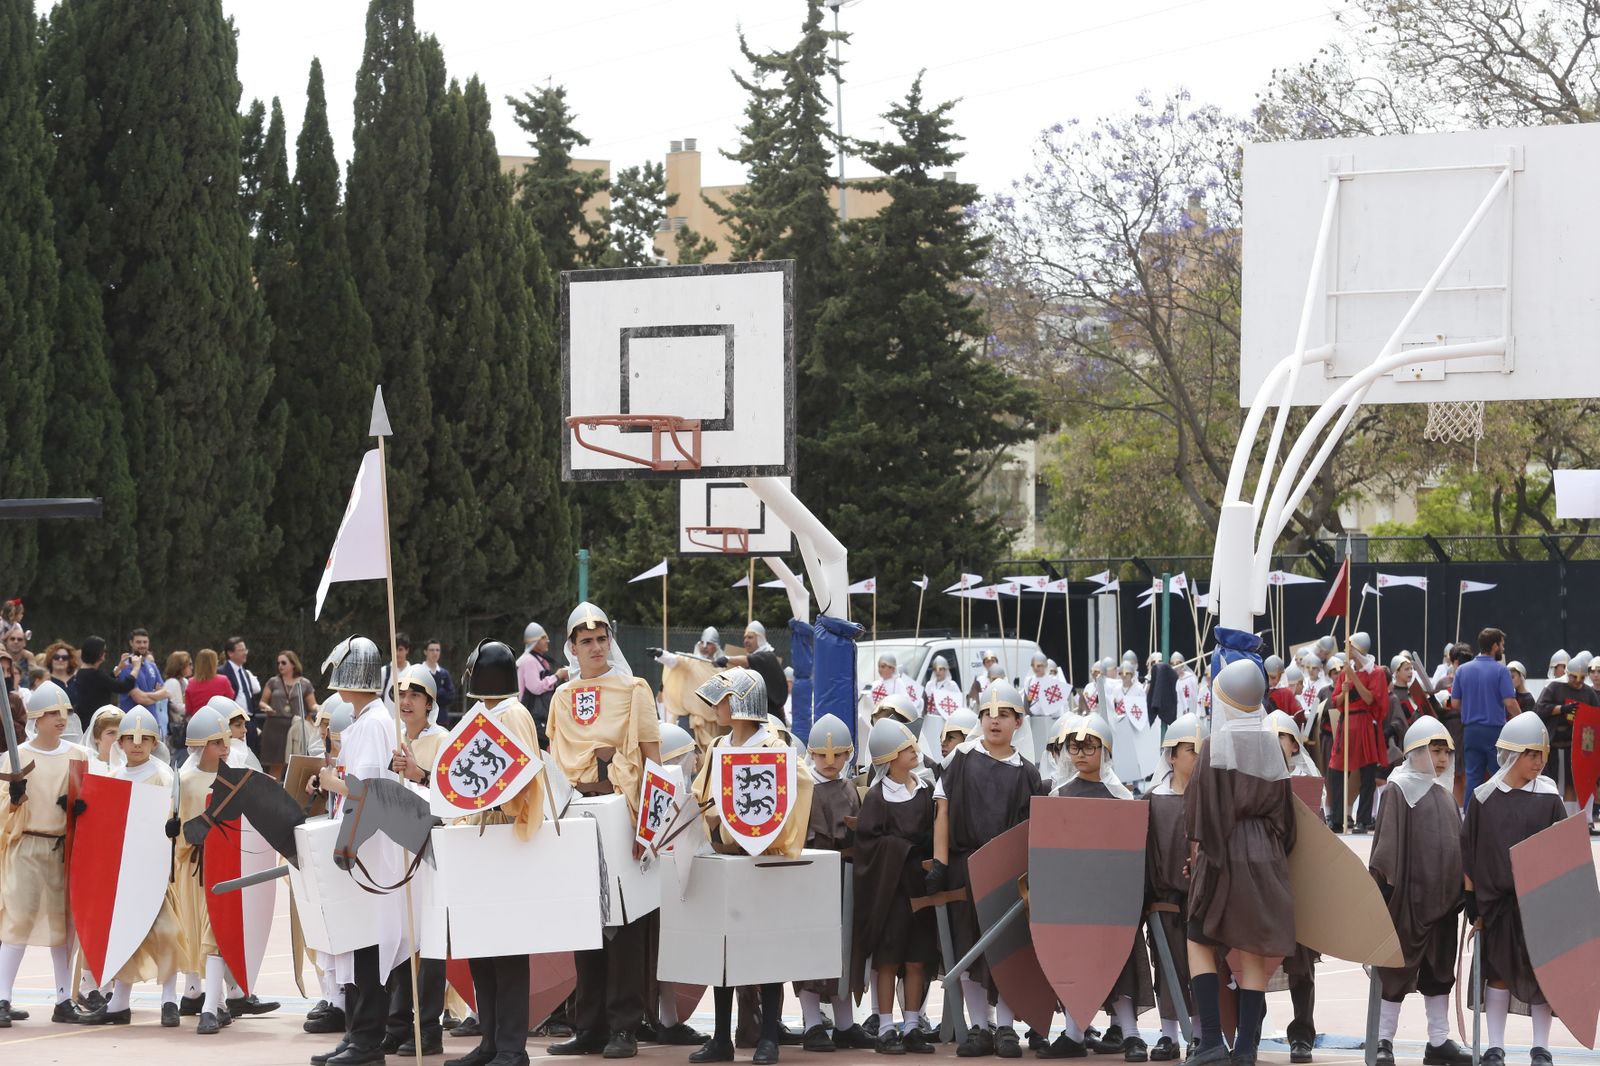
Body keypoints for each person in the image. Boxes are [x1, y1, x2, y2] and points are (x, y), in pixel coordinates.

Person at [547, 603, 661, 1060]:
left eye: (601, 639)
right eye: (585, 641)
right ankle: (588, 1024)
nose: (595, 648)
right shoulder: (560, 697)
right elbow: (554, 766)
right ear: (572, 648)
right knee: (585, 921)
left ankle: (624, 1027)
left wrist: (650, 827)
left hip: (623, 815)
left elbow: (654, 762)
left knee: (624, 924)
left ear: (609, 641)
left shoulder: (635, 690)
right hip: (577, 814)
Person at [687, 667, 814, 1066]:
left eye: (724, 699)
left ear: (742, 701)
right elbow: (702, 795)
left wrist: (765, 835)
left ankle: (769, 1037)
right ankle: (721, 1037)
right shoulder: (718, 745)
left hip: (763, 859)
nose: (717, 707)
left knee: (767, 950)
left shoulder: (776, 746)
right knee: (723, 951)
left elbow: (798, 789)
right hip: (726, 857)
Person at [1182, 658, 1296, 1066]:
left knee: (1197, 939)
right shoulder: (1272, 746)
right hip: (1266, 854)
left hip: (1224, 852)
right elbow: (1287, 820)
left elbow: (1200, 815)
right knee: (1252, 954)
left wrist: (1196, 859)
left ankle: (1211, 1041)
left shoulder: (1216, 745)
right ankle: (1246, 1048)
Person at [927, 680, 1047, 1059]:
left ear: (1018, 722)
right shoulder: (961, 759)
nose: (995, 721)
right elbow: (942, 811)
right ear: (980, 718)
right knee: (970, 947)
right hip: (967, 865)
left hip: (1010, 872)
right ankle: (979, 1026)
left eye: (1005, 714)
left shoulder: (1026, 772)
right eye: (989, 714)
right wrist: (941, 863)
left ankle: (1007, 1028)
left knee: (1009, 949)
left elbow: (1032, 829)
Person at [310, 636, 406, 1066]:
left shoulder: (371, 724)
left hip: (372, 845)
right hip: (366, 843)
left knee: (367, 945)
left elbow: (367, 790)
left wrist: (331, 782)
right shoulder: (370, 720)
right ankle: (357, 1034)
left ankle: (367, 1040)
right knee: (356, 942)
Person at [1460, 712, 1566, 1066]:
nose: (1538, 762)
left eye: (1542, 755)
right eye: (1531, 754)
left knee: (1542, 976)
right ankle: (1495, 1046)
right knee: (1499, 974)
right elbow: (1470, 851)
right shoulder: (1484, 797)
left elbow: (1564, 852)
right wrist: (1472, 898)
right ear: (1512, 754)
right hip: (1497, 905)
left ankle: (1541, 1047)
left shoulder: (1549, 798)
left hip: (1539, 904)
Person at [1046, 713, 1152, 1060]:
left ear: (1104, 751)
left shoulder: (1120, 797)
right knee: (1074, 965)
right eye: (1074, 747)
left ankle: (1131, 1034)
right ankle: (1074, 1033)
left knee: (1117, 964)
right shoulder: (1059, 795)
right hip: (1073, 902)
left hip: (1111, 903)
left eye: (1090, 747)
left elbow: (1130, 852)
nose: (1081, 753)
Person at [1368, 716, 1471, 1066]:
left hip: (1442, 906)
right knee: (1395, 972)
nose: (1441, 759)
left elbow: (1458, 845)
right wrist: (1382, 891)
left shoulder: (1444, 794)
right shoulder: (1398, 790)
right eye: (1434, 750)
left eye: (1446, 751)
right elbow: (1386, 846)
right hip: (1407, 903)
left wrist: (1462, 890)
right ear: (1414, 751)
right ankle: (1383, 1040)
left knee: (1439, 974)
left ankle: (1439, 1041)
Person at [0, 684, 96, 1027]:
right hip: (26, 846)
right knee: (17, 921)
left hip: (63, 849)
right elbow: (2, 816)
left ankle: (63, 999)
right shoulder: (16, 759)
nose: (61, 718)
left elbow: (92, 798)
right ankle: (2, 998)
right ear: (37, 719)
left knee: (63, 925)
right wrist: (13, 798)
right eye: (53, 713)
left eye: (64, 712)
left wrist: (81, 807)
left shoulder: (78, 756)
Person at [853, 717, 938, 1055]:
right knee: (888, 960)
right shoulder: (876, 797)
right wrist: (902, 848)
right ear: (889, 757)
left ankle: (913, 1025)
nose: (913, 750)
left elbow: (935, 832)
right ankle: (886, 1026)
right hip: (890, 893)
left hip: (919, 889)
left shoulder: (926, 791)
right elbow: (868, 846)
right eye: (905, 747)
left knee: (917, 959)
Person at [98, 706, 185, 1027]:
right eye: (130, 738)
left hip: (155, 869)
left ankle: (169, 1001)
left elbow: (177, 817)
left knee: (167, 934)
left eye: (145, 738)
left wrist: (175, 827)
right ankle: (119, 1003)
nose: (137, 744)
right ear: (120, 742)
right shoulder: (113, 778)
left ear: (154, 742)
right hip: (125, 872)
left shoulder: (163, 777)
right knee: (124, 936)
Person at [791, 713, 870, 1052]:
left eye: (837, 754)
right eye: (822, 754)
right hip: (810, 880)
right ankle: (812, 1023)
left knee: (844, 949)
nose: (829, 761)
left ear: (849, 752)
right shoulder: (801, 786)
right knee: (810, 949)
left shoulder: (849, 787)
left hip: (845, 879)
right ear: (811, 752)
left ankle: (845, 1023)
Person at [1143, 714, 1201, 1062]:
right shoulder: (1153, 800)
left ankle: (1202, 1033)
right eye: (1190, 750)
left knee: (1204, 970)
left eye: (1201, 750)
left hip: (1204, 901)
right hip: (1165, 902)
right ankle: (1168, 1035)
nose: (1196, 756)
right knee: (1167, 968)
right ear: (1172, 756)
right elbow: (1147, 852)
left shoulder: (1212, 799)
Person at [1451, 629, 1521, 798]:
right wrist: (1523, 719)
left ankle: (1470, 819)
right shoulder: (1501, 671)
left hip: (1470, 731)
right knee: (1499, 777)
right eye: (1502, 645)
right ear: (1495, 646)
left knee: (1473, 778)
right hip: (1494, 731)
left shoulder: (1462, 670)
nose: (1503, 649)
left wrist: (1471, 710)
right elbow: (1509, 702)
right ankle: (1499, 818)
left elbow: (1455, 703)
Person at [1327, 633, 1386, 832]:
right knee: (1336, 771)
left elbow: (1370, 699)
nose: (1346, 650)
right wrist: (1344, 691)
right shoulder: (1345, 672)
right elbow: (1335, 701)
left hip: (1364, 725)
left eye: (1349, 646)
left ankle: (1363, 819)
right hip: (1346, 724)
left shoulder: (1375, 673)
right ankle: (1337, 818)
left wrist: (1353, 679)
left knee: (1367, 775)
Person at [1534, 650, 1598, 808]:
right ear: (1568, 674)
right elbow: (1539, 709)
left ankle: (1573, 820)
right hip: (1554, 744)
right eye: (1574, 676)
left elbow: (1595, 718)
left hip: (1576, 747)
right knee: (1551, 784)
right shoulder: (1555, 687)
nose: (1577, 681)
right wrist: (1562, 709)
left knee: (1573, 784)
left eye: (1581, 677)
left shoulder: (1588, 693)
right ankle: (1555, 819)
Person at [259, 649, 317, 779]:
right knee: (276, 765)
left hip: (295, 726)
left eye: (284, 663)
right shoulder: (273, 681)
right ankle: (273, 796)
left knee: (296, 765)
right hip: (275, 726)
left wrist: (320, 709)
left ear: (293, 664)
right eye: (278, 663)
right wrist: (267, 707)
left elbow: (312, 705)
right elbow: (262, 702)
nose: (280, 666)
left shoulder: (304, 683)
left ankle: (293, 796)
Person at [718, 621, 788, 722]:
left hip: (770, 716)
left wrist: (727, 659)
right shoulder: (759, 658)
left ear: (760, 639)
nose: (746, 640)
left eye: (750, 637)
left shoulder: (767, 656)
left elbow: (747, 660)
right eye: (745, 638)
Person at [69, 636, 145, 728]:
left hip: (87, 720)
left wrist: (119, 667)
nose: (105, 653)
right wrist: (136, 668)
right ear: (98, 654)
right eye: (103, 651)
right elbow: (123, 687)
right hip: (95, 723)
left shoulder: (83, 672)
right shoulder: (95, 674)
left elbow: (105, 683)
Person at [515, 622, 566, 746]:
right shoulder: (529, 661)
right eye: (543, 638)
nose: (547, 641)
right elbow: (535, 687)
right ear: (535, 641)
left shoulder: (537, 660)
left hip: (535, 717)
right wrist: (557, 676)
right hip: (532, 717)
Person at [115, 629, 168, 721]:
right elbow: (139, 698)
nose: (142, 645)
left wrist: (148, 696)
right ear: (131, 643)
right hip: (131, 722)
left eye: (145, 642)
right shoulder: (126, 667)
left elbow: (166, 692)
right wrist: (156, 695)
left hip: (152, 721)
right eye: (138, 642)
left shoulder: (152, 666)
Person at [183, 649, 236, 723]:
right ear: (214, 663)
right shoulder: (223, 680)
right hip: (219, 722)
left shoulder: (191, 682)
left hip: (198, 722)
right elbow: (230, 700)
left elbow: (188, 709)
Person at [163, 651, 192, 751]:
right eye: (189, 664)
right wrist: (195, 708)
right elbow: (176, 706)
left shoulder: (185, 681)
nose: (191, 667)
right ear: (180, 666)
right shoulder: (172, 683)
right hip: (176, 727)